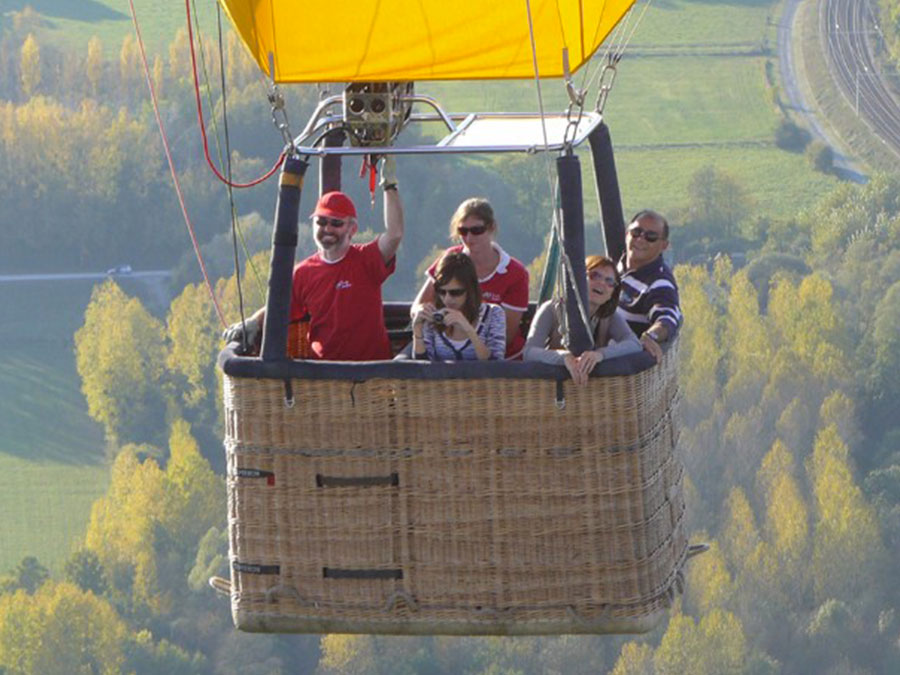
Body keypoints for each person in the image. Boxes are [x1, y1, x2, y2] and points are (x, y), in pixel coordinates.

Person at [223, 157, 403, 360]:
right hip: (324, 375)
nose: (327, 228)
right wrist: (254, 322)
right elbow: (279, 307)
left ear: (352, 229)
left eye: (336, 223)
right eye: (321, 222)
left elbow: (395, 234)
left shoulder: (366, 260)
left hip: (372, 373)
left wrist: (389, 184)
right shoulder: (303, 273)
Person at [411, 198, 529, 358]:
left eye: (477, 230)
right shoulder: (451, 259)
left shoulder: (515, 273)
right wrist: (422, 314)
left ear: (491, 227)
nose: (469, 238)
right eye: (462, 231)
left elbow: (505, 337)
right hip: (449, 351)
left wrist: (467, 329)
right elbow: (417, 306)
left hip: (503, 360)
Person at [524, 255, 641, 384]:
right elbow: (529, 352)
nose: (601, 283)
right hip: (552, 387)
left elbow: (634, 344)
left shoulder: (609, 316)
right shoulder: (551, 310)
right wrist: (563, 357)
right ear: (578, 279)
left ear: (612, 294)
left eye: (609, 282)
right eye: (594, 275)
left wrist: (600, 355)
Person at [412, 252, 506, 361]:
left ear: (470, 290)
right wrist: (417, 330)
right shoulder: (434, 316)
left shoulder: (493, 314)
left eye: (455, 293)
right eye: (442, 292)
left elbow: (496, 364)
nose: (447, 299)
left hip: (480, 378)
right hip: (442, 377)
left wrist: (469, 330)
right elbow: (422, 365)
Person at [617, 210, 682, 363]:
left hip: (618, 360)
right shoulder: (615, 267)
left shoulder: (659, 283)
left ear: (664, 245)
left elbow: (667, 318)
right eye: (636, 232)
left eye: (650, 237)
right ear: (627, 234)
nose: (641, 239)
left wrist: (650, 336)